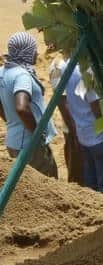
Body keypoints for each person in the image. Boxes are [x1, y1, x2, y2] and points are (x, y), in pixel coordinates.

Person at [0, 32, 58, 178]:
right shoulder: (22, 75)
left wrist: (11, 121)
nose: (36, 53)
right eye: (33, 49)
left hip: (14, 140)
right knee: (48, 186)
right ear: (26, 51)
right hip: (29, 144)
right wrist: (37, 134)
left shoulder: (3, 71)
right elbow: (21, 107)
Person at [62, 65, 103, 196]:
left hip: (83, 135)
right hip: (100, 137)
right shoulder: (87, 72)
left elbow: (65, 101)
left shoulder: (66, 67)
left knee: (91, 184)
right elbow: (97, 109)